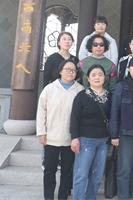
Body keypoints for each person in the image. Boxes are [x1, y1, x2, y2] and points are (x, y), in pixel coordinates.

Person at [37, 59, 84, 200]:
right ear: (60, 71)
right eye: (67, 69)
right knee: (49, 170)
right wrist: (41, 132)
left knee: (66, 171)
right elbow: (41, 111)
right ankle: (48, 197)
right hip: (51, 137)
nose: (70, 72)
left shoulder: (80, 90)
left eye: (73, 70)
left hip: (70, 138)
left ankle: (63, 196)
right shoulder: (50, 89)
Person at [109, 57, 133, 200]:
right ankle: (123, 197)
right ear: (128, 69)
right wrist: (114, 135)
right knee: (124, 169)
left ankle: (132, 195)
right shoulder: (122, 86)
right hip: (126, 133)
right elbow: (114, 111)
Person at [70, 64, 112, 200]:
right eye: (93, 75)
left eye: (100, 74)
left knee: (97, 175)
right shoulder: (81, 96)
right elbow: (74, 118)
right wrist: (74, 138)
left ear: (104, 77)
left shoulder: (109, 96)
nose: (97, 77)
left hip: (104, 141)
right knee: (81, 174)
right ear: (88, 78)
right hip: (85, 140)